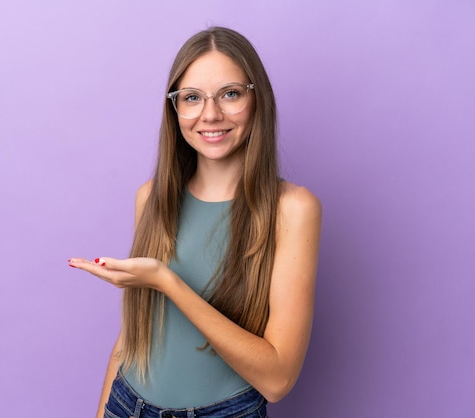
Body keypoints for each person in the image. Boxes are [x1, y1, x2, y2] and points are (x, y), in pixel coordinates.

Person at [69, 26, 321, 418]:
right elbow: (131, 340)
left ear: (258, 100)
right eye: (192, 98)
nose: (211, 114)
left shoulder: (292, 208)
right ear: (175, 108)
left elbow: (277, 381)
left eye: (231, 94)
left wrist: (167, 281)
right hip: (126, 405)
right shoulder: (151, 197)